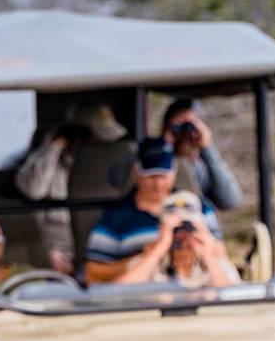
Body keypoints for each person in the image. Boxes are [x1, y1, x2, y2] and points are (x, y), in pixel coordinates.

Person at [84, 138, 229, 286]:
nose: (158, 184)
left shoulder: (199, 208)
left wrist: (202, 245)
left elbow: (222, 259)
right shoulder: (114, 217)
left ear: (174, 170)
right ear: (136, 171)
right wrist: (146, 256)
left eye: (164, 175)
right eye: (151, 176)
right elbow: (91, 274)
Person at [17, 103, 128, 276]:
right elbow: (34, 190)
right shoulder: (48, 161)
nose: (101, 146)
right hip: (59, 251)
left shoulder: (112, 166)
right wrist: (55, 145)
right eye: (95, 138)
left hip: (101, 249)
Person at [109, 192, 239, 288]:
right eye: (175, 229)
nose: (181, 236)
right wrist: (159, 249)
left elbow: (234, 301)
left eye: (188, 227)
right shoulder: (149, 263)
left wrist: (208, 257)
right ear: (162, 229)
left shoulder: (216, 264)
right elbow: (117, 293)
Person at [161, 97, 243, 210]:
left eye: (191, 124)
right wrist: (165, 145)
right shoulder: (155, 164)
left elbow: (230, 201)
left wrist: (207, 148)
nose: (186, 131)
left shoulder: (202, 167)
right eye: (179, 124)